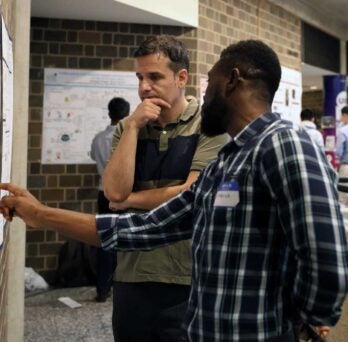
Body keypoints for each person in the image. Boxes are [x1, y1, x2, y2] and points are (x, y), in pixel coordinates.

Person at [1, 40, 347, 342]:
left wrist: (312, 318)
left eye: (208, 82)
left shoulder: (285, 141)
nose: (204, 92)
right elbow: (141, 229)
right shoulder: (225, 165)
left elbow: (325, 251)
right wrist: (41, 214)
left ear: (233, 80)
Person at [102, 35, 226, 341]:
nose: (144, 87)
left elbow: (193, 194)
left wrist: (131, 199)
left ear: (181, 77)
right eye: (140, 77)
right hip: (132, 271)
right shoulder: (127, 127)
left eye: (154, 77)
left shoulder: (208, 125)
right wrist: (132, 127)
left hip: (187, 275)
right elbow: (114, 193)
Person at [90, 97, 130, 302]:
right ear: (127, 115)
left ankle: (102, 289)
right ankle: (122, 287)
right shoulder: (128, 138)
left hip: (102, 193)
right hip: (124, 195)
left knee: (104, 238)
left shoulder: (98, 138)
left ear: (109, 114)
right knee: (125, 238)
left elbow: (93, 157)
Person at [336, 105, 348, 174]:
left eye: (341, 116)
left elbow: (339, 151)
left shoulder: (343, 130)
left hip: (346, 167)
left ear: (345, 115)